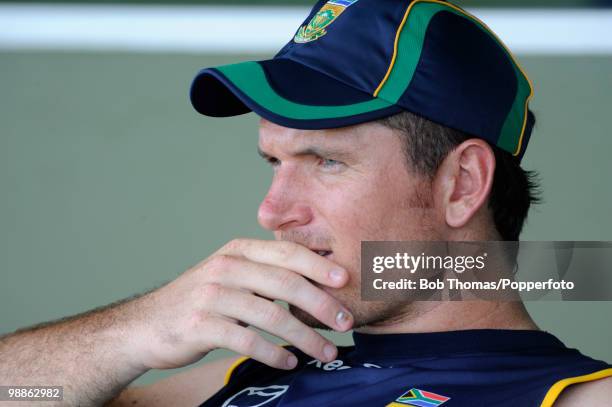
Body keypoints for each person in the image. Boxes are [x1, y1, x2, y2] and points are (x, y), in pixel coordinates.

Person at [1, 0, 611, 406]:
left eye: (327, 161)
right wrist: (134, 333)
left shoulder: (575, 395)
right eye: (274, 162)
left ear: (462, 184)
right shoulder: (249, 374)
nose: (273, 212)